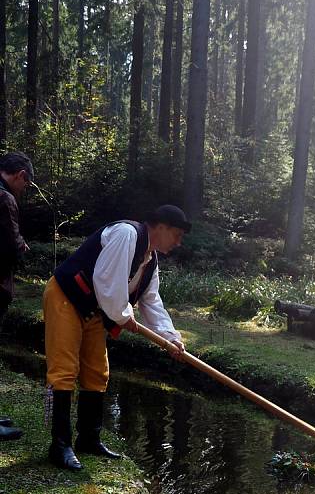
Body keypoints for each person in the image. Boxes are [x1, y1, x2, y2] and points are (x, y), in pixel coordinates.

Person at [43, 204, 190, 471]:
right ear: (161, 227)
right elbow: (106, 281)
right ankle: (60, 445)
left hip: (94, 309)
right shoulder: (127, 234)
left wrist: (170, 337)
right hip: (66, 296)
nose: (179, 242)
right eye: (177, 235)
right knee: (64, 369)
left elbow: (151, 301)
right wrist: (123, 315)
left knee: (98, 372)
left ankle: (89, 439)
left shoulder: (151, 260)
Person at [0, 151, 34, 441]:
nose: (24, 189)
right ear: (20, 175)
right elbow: (11, 242)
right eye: (27, 184)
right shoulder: (5, 198)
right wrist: (23, 246)